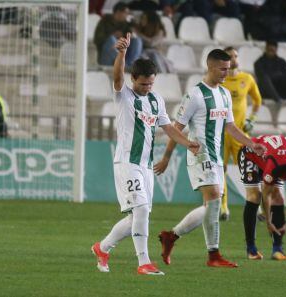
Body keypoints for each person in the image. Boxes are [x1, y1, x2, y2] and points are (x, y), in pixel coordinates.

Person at [91, 33, 200, 276]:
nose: (147, 87)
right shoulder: (124, 95)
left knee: (137, 217)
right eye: (143, 84)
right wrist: (121, 53)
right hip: (127, 162)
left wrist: (188, 143)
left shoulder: (156, 100)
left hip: (146, 165)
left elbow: (168, 127)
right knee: (140, 211)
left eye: (150, 83)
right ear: (134, 79)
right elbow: (117, 77)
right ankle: (144, 263)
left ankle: (102, 247)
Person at [154, 49, 265, 268]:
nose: (227, 72)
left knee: (211, 205)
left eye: (229, 68)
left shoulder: (223, 94)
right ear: (210, 67)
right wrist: (167, 157)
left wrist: (252, 144)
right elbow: (176, 128)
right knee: (214, 200)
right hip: (199, 154)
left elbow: (231, 126)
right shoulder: (195, 95)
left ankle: (177, 238)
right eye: (223, 69)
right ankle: (209, 254)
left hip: (216, 156)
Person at [237, 134, 286, 260]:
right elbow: (265, 194)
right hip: (251, 154)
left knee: (278, 198)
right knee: (254, 196)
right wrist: (268, 221)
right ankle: (251, 248)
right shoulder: (277, 165)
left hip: (272, 157)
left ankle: (277, 249)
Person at [220, 46, 262, 220]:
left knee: (247, 169)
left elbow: (258, 101)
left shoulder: (247, 78)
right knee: (220, 171)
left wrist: (251, 120)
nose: (234, 58)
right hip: (221, 134)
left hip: (240, 134)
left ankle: (256, 207)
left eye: (236, 55)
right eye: (230, 56)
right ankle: (223, 208)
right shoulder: (218, 81)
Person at [93, 2, 142, 66]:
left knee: (137, 40)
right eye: (126, 13)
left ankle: (130, 65)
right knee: (111, 39)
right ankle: (124, 65)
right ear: (118, 12)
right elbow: (97, 39)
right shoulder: (104, 21)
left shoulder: (126, 24)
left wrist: (132, 31)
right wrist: (113, 35)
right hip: (107, 55)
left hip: (123, 57)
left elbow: (131, 38)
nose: (127, 15)